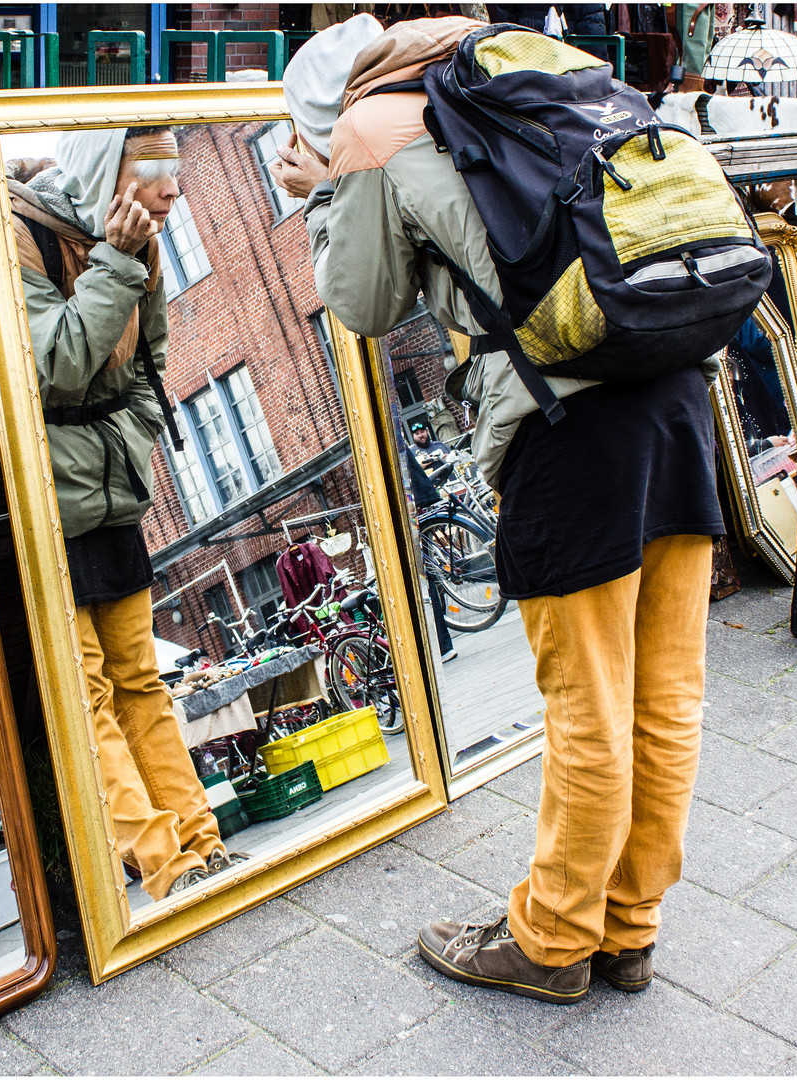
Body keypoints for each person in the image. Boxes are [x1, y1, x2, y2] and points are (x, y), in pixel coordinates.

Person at [276, 15, 724, 1004]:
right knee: (665, 693)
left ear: (320, 107)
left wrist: (321, 197)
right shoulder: (527, 76)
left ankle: (553, 939)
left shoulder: (370, 129)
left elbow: (360, 301)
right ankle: (627, 927)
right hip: (677, 385)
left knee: (588, 704)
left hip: (567, 422)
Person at [7, 125, 242, 900]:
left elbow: (153, 359)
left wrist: (133, 432)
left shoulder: (141, 243)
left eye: (176, 169)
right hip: (42, 503)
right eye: (155, 170)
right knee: (88, 695)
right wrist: (114, 261)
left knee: (140, 679)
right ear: (107, 170)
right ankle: (161, 863)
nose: (174, 188)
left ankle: (201, 847)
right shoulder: (20, 235)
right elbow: (57, 362)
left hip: (109, 489)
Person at [401, 422, 458, 662]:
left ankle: (439, 647)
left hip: (408, 508)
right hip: (419, 500)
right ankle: (442, 646)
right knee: (426, 575)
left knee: (419, 578)